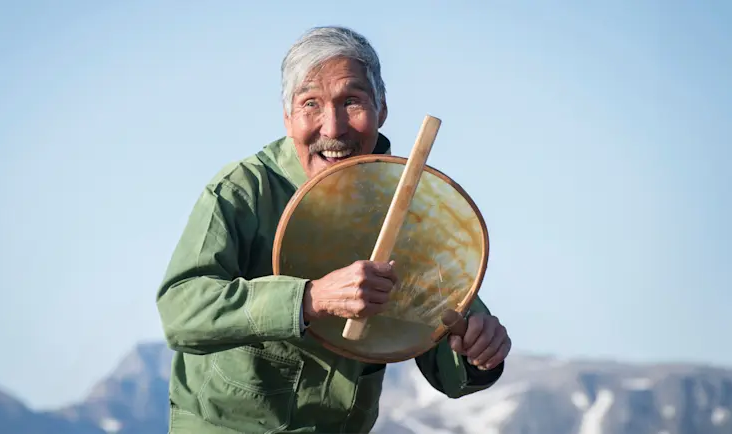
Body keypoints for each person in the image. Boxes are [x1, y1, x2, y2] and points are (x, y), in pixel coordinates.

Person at [156, 25, 512, 434]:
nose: (333, 127)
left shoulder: (414, 209)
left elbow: (448, 355)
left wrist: (478, 350)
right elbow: (181, 313)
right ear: (289, 119)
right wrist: (309, 298)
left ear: (382, 110)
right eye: (311, 104)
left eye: (352, 102)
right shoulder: (242, 192)